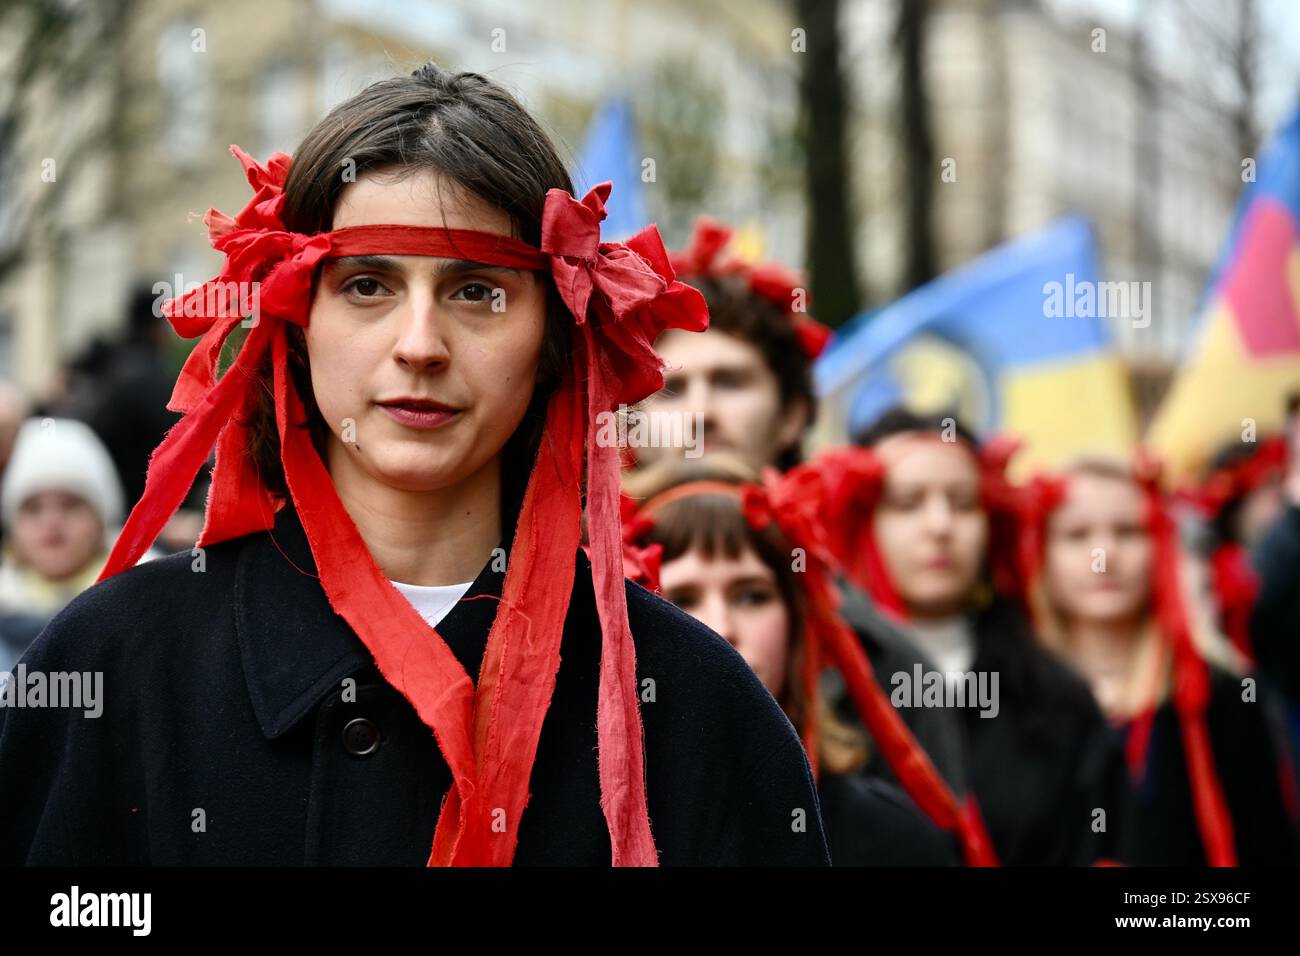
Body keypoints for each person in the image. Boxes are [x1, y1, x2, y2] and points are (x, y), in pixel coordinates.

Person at [0, 63, 829, 867]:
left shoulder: (694, 706)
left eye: (478, 292)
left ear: (553, 335)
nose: (420, 346)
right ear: (295, 320)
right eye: (367, 286)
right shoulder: (114, 670)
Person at [627, 456, 961, 865]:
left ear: (799, 627)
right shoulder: (571, 824)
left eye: (752, 596)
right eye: (681, 600)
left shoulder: (893, 842)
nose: (720, 627)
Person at [840, 408, 1120, 865]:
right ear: (860, 520)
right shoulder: (823, 695)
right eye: (908, 503)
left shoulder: (1058, 701)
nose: (940, 526)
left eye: (963, 503)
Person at [1028, 456, 1299, 866]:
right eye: (1077, 535)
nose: (1105, 555)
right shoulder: (1014, 699)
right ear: (1039, 551)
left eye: (1128, 531)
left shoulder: (1219, 695)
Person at [0, 417, 157, 671]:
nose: (51, 522)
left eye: (71, 504)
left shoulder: (150, 605)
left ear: (103, 519)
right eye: (32, 508)